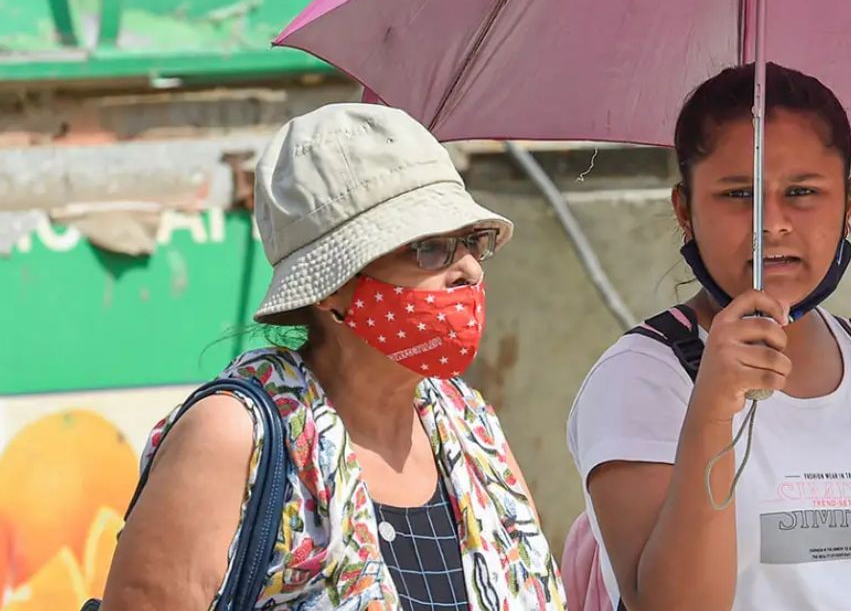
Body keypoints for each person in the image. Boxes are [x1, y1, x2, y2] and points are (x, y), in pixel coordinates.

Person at [100, 103, 566, 610]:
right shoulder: (235, 436)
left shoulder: (470, 428)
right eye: (430, 249)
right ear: (331, 288)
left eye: (473, 242)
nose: (471, 271)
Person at [566, 63, 851, 610]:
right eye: (739, 194)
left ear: (850, 204)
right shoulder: (642, 379)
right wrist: (714, 407)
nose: (772, 222)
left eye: (803, 191)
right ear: (685, 210)